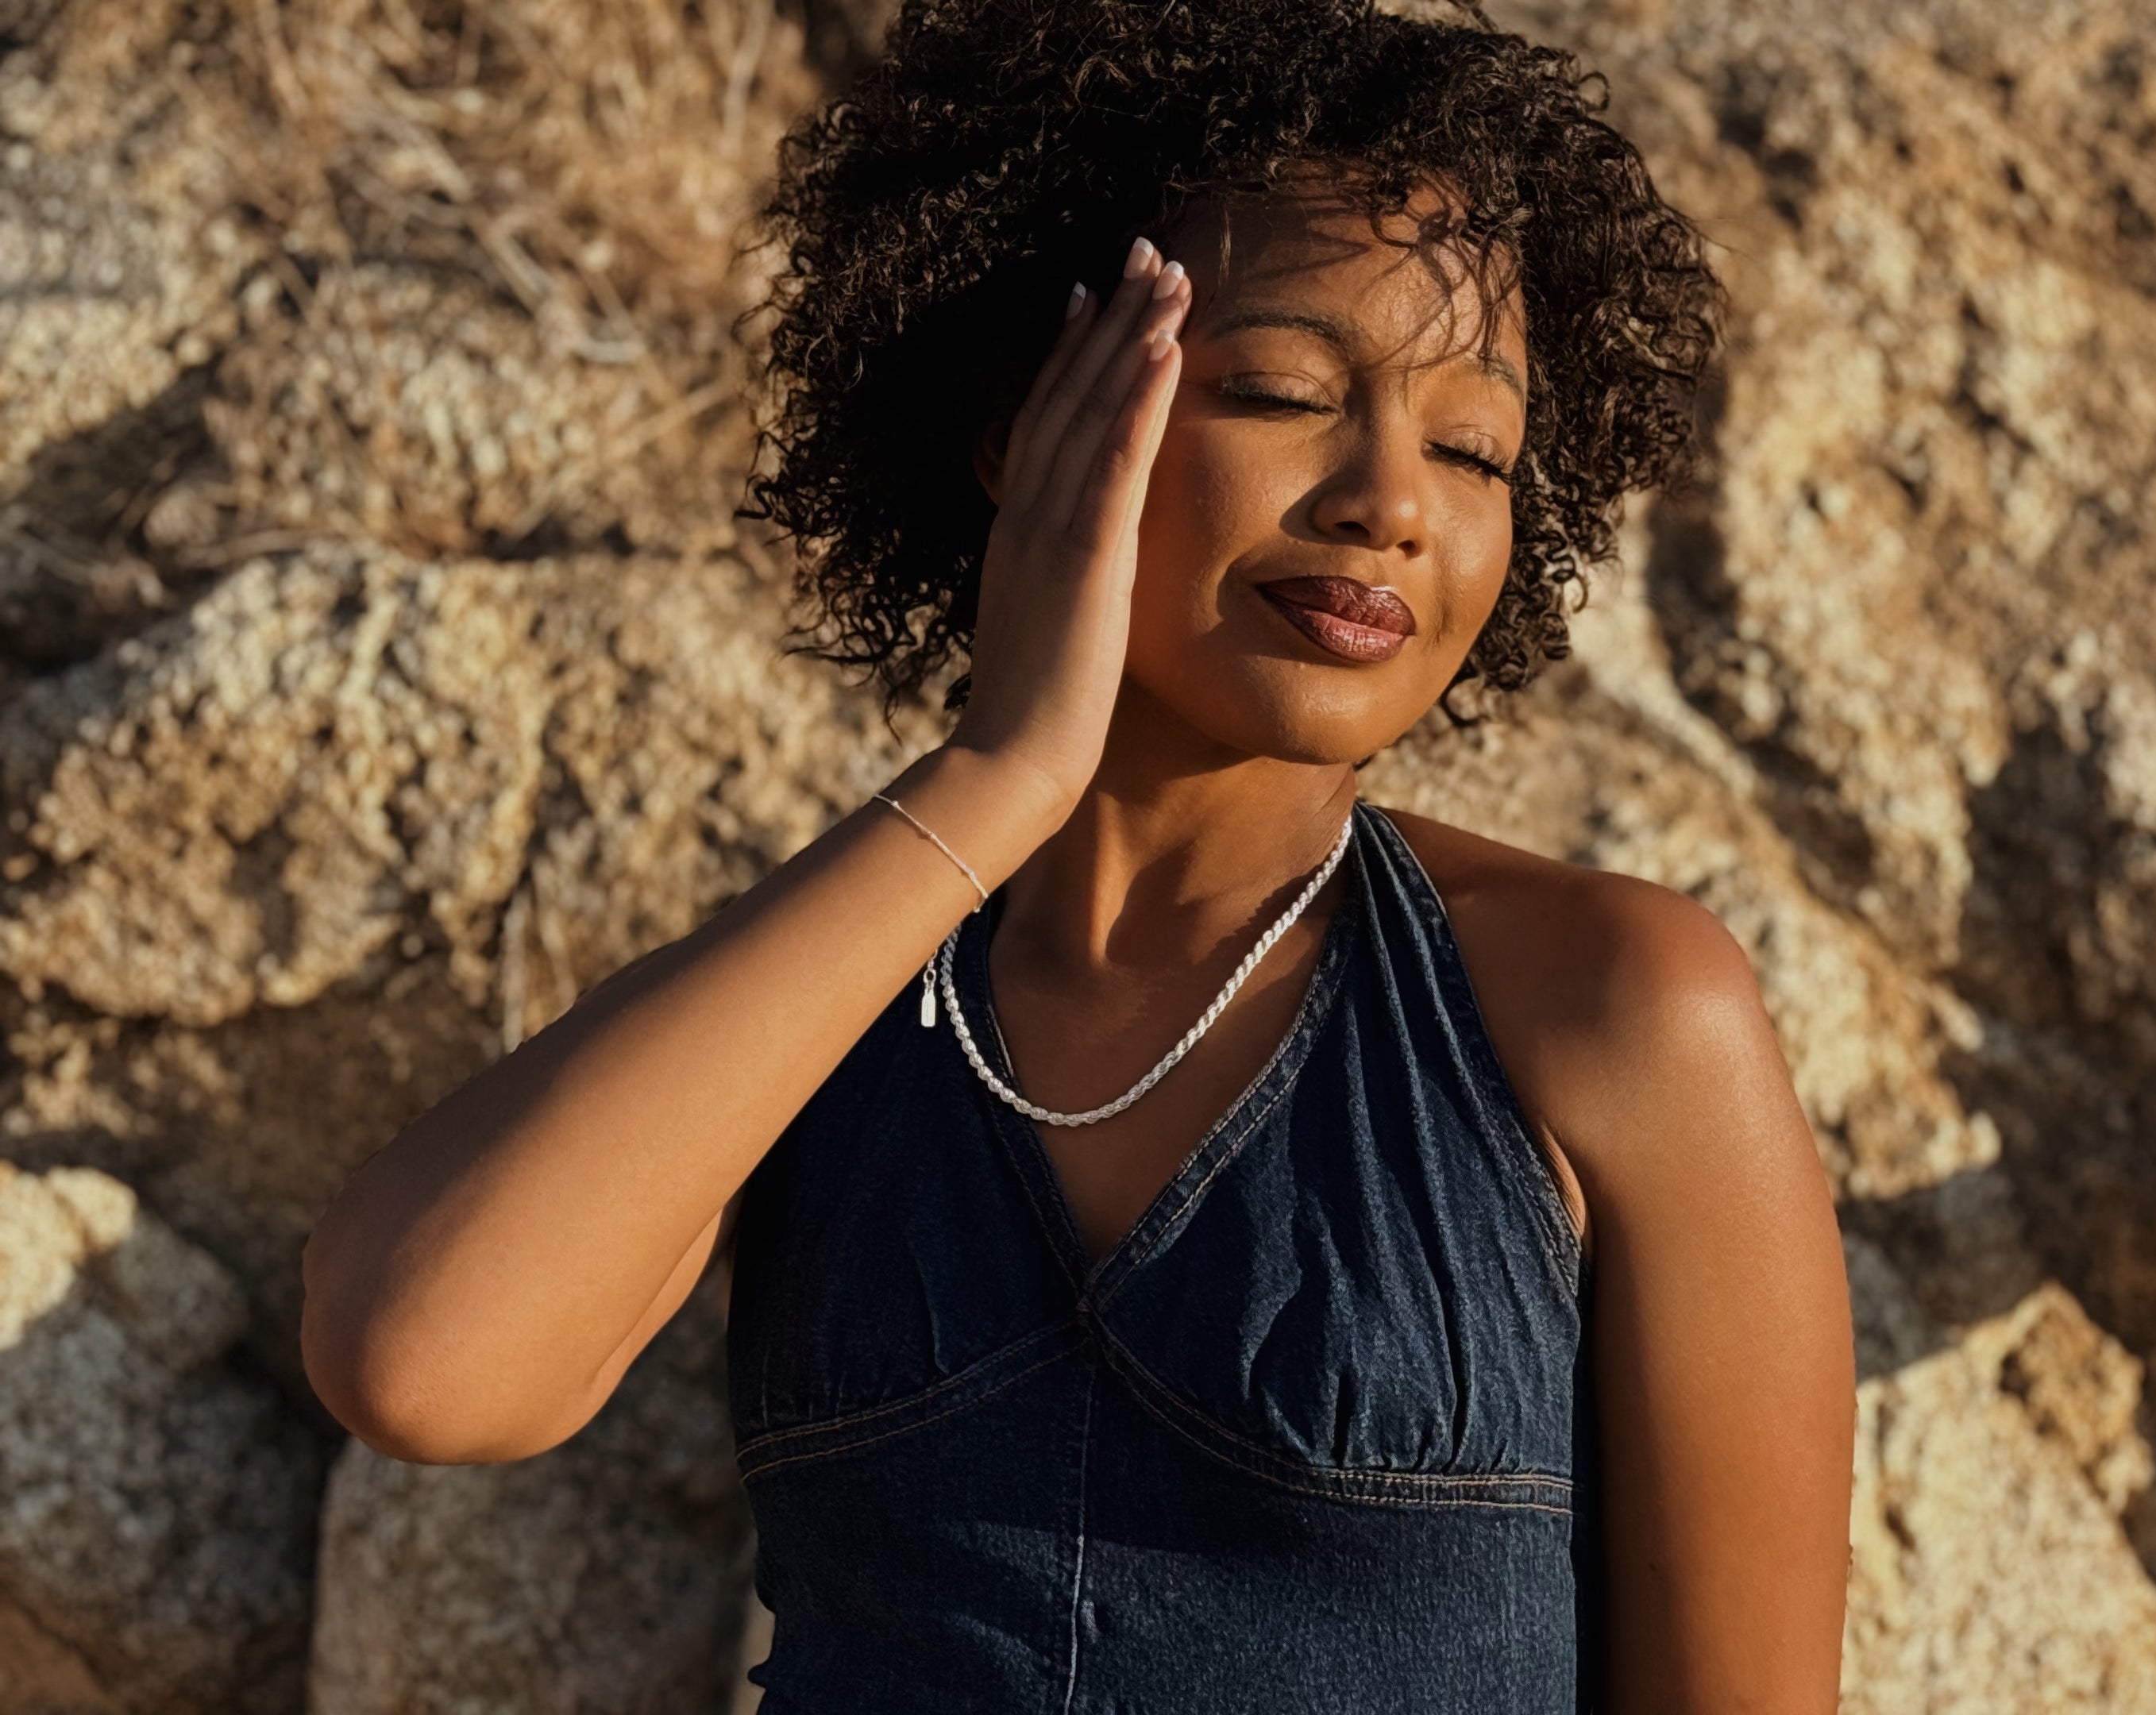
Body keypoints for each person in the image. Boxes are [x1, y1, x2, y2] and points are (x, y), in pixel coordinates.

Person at [298, 0, 1853, 1708]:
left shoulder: (1608, 1010)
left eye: (1473, 446)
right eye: (1281, 390)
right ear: (1021, 431)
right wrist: (999, 777)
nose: (1391, 498)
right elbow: (420, 1364)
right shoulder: (835, 997)